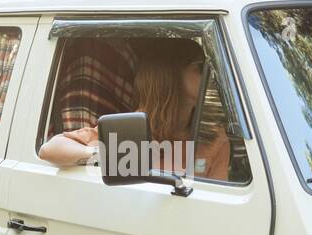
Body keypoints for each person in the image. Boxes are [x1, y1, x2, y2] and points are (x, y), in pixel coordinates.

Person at [38, 40, 230, 181]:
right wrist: (110, 155)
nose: (209, 74)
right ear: (172, 74)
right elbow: (50, 149)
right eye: (200, 67)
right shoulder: (133, 127)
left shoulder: (213, 136)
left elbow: (219, 197)